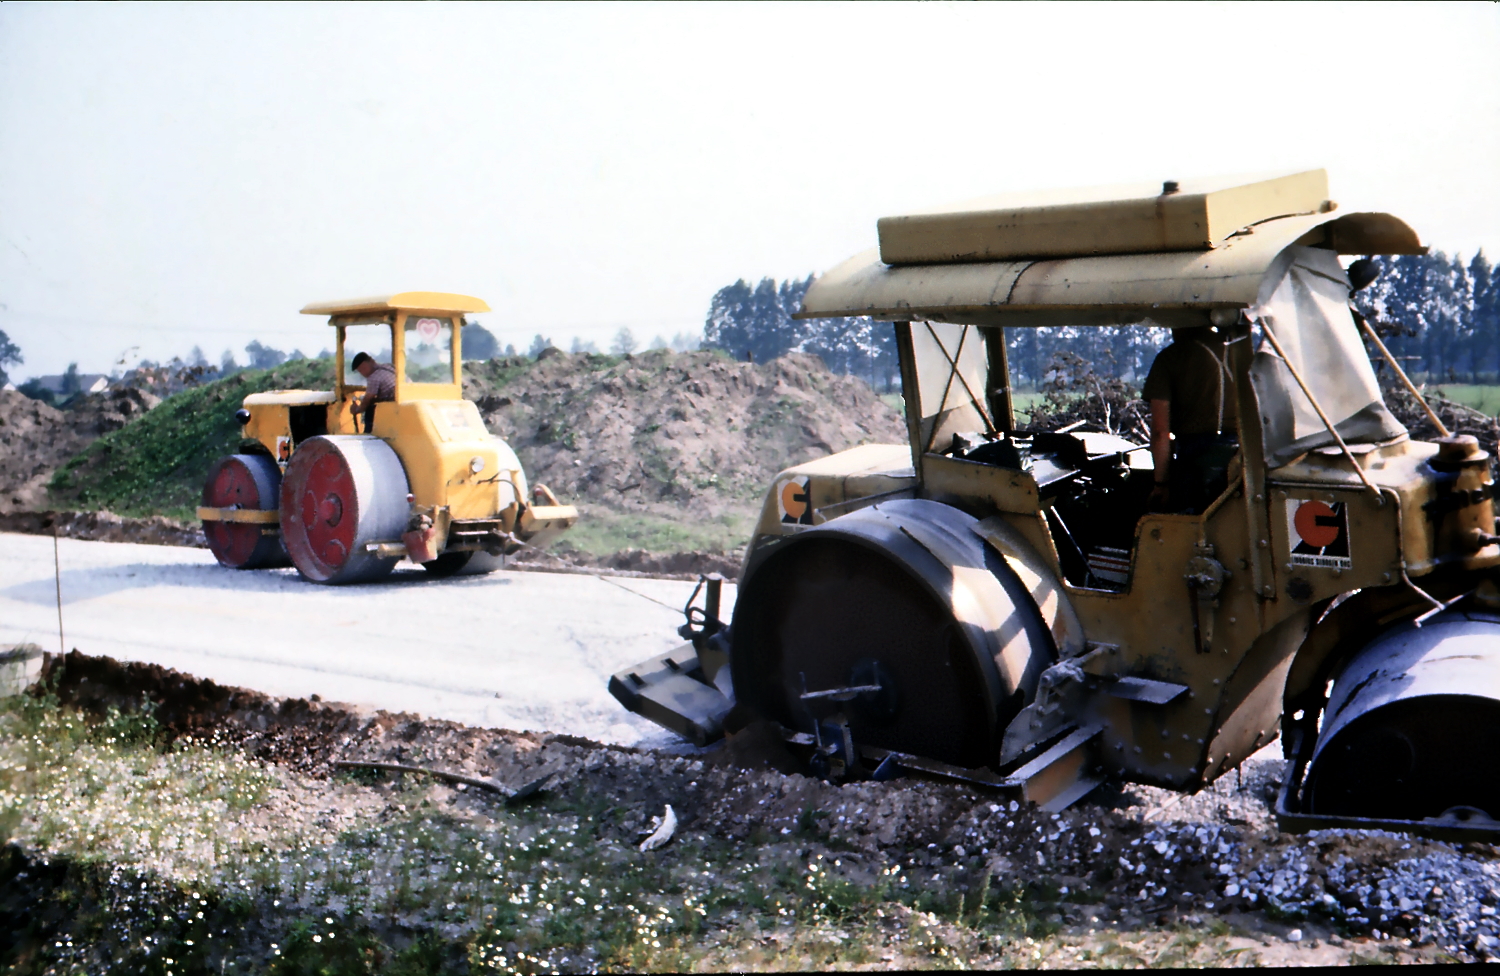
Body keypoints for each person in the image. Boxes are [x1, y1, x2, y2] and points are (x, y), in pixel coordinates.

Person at [1142, 326, 1239, 514]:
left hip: (1196, 460)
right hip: (1244, 455)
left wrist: (1161, 485)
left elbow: (1161, 432)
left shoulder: (1172, 357)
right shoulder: (1242, 353)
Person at [349, 352, 396, 433]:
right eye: (360, 371)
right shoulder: (388, 367)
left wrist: (357, 409)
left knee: (370, 408)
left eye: (364, 368)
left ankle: (369, 433)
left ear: (371, 361)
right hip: (403, 397)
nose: (363, 373)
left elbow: (367, 399)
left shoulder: (374, 377)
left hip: (393, 403)